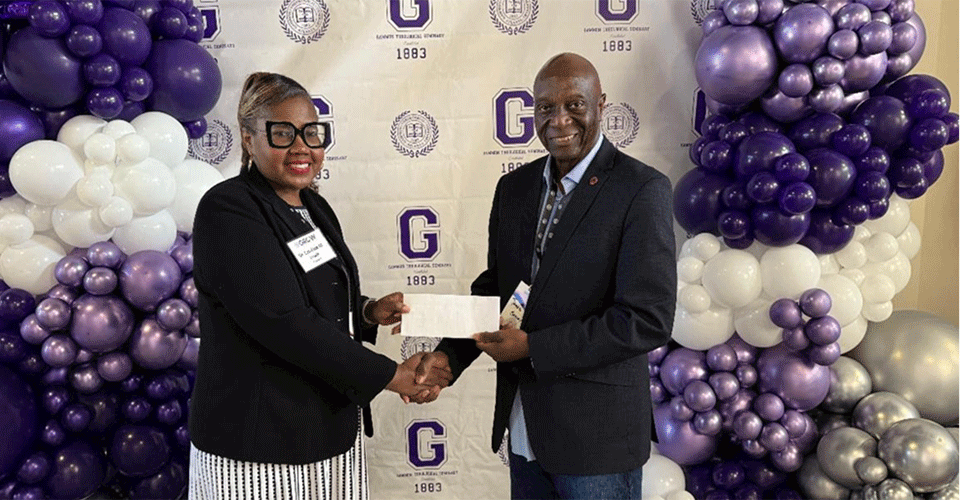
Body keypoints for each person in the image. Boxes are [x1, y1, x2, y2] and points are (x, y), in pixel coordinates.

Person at [416, 53, 676, 499]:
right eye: (544, 108)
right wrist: (449, 358)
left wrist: (534, 347)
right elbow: (496, 288)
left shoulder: (641, 189)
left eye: (575, 105)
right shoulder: (513, 188)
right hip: (525, 427)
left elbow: (647, 319)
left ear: (601, 105)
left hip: (599, 442)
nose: (559, 120)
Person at [187, 72, 451, 500]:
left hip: (327, 431)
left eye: (312, 133)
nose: (301, 147)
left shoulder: (313, 205)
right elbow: (283, 320)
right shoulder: (229, 208)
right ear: (249, 139)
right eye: (282, 133)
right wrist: (393, 375)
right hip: (260, 444)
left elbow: (306, 288)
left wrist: (366, 311)